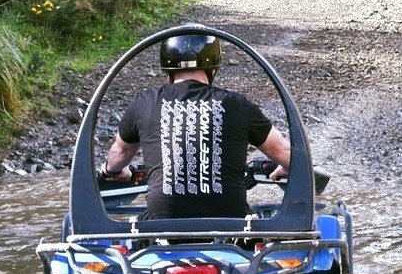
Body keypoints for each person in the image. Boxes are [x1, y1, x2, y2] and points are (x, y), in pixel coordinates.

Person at [101, 32, 291, 218]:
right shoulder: (237, 104)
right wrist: (287, 167)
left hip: (162, 226)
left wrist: (112, 171)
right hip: (231, 227)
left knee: (140, 224)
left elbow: (120, 153)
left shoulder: (144, 103)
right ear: (213, 69)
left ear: (167, 70)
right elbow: (280, 150)